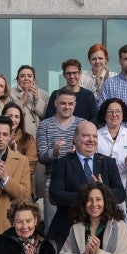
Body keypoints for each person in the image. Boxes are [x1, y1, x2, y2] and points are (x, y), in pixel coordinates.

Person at [47, 121, 126, 246]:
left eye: (94, 136)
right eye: (86, 135)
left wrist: (102, 190)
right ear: (75, 138)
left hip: (103, 232)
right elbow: (55, 195)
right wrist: (87, 194)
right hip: (69, 231)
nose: (91, 140)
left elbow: (121, 194)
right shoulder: (62, 163)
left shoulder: (108, 163)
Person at [36, 88, 84, 225]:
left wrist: (78, 153)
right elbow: (41, 156)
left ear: (75, 105)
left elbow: (91, 151)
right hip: (53, 182)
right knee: (52, 227)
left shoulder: (82, 124)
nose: (67, 107)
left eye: (70, 104)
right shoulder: (44, 125)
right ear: (56, 103)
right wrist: (55, 152)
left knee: (80, 226)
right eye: (63, 103)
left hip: (79, 182)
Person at [97, 98, 127, 181]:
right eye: (110, 111)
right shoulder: (96, 135)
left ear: (123, 114)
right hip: (102, 182)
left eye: (118, 111)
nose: (114, 115)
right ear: (104, 114)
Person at [1, 101, 38, 199]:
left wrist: (16, 155)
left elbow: (31, 167)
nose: (13, 120)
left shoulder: (28, 139)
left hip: (22, 187)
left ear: (21, 119)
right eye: (10, 116)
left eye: (17, 117)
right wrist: (7, 147)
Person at [13, 64, 48, 140]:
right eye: (22, 76)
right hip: (18, 137)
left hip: (39, 138)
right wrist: (23, 99)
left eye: (29, 76)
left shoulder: (43, 94)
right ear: (18, 80)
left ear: (34, 79)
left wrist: (36, 99)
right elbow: (10, 116)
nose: (26, 78)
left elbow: (46, 115)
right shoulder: (10, 94)